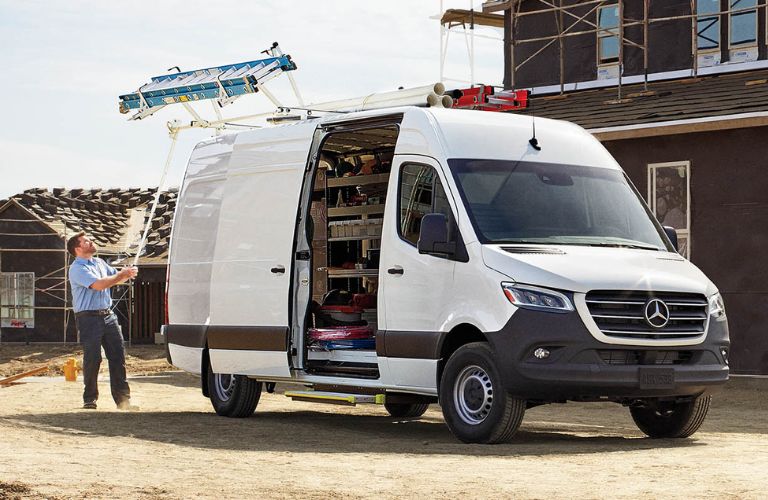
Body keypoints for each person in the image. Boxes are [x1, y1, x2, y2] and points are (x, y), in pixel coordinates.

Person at [67, 232, 138, 410]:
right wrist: (121, 275)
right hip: (88, 318)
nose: (91, 242)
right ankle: (90, 398)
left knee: (117, 357)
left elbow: (114, 278)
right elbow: (99, 285)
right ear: (78, 248)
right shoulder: (77, 269)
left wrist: (126, 274)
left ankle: (123, 401)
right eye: (86, 241)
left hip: (108, 315)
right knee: (93, 358)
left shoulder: (99, 262)